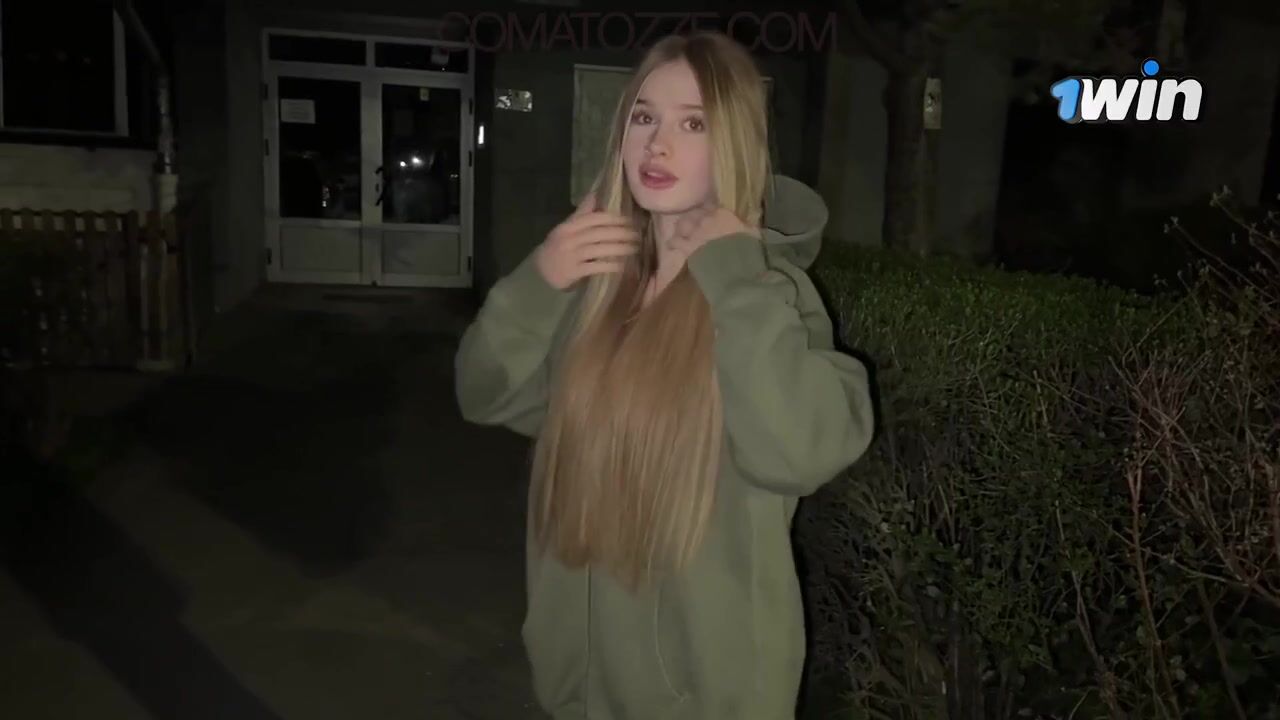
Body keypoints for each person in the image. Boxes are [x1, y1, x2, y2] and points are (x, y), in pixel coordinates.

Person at [454, 30, 875, 720]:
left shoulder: (767, 293)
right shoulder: (601, 282)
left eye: (693, 123)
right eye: (644, 116)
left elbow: (798, 452)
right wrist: (539, 283)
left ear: (734, 145)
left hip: (706, 696)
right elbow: (484, 395)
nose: (657, 144)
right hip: (578, 689)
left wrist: (736, 279)